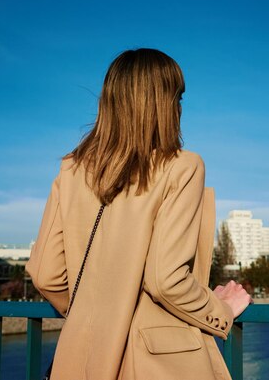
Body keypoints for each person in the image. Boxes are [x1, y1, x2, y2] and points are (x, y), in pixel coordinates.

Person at [26, 48, 252, 380]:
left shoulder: (72, 170)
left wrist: (98, 316)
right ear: (165, 103)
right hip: (158, 363)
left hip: (82, 360)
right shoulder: (182, 166)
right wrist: (220, 310)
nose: (179, 108)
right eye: (178, 98)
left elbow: (45, 274)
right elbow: (165, 280)